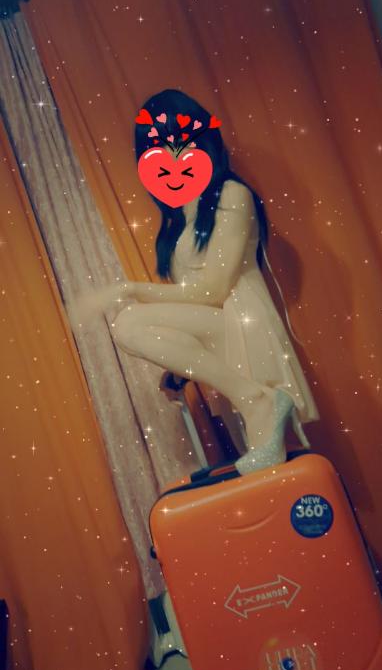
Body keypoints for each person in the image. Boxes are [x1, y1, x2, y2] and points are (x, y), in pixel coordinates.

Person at [68, 89, 319, 474]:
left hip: (241, 321)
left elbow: (214, 291)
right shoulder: (181, 215)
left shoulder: (231, 195)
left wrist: (128, 290)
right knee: (264, 470)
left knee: (130, 321)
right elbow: (192, 300)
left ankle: (257, 400)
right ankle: (254, 399)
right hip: (221, 330)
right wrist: (178, 361)